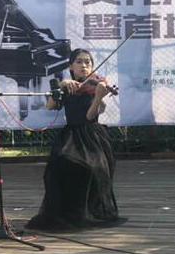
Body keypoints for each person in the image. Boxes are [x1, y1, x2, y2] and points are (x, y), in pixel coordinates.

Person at [26, 48, 119, 231]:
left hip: (91, 136)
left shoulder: (96, 86)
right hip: (71, 134)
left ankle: (86, 211)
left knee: (91, 167)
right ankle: (64, 211)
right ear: (71, 66)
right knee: (59, 164)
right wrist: (61, 86)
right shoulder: (68, 87)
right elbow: (50, 106)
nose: (84, 66)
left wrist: (98, 97)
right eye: (79, 62)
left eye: (88, 62)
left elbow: (89, 117)